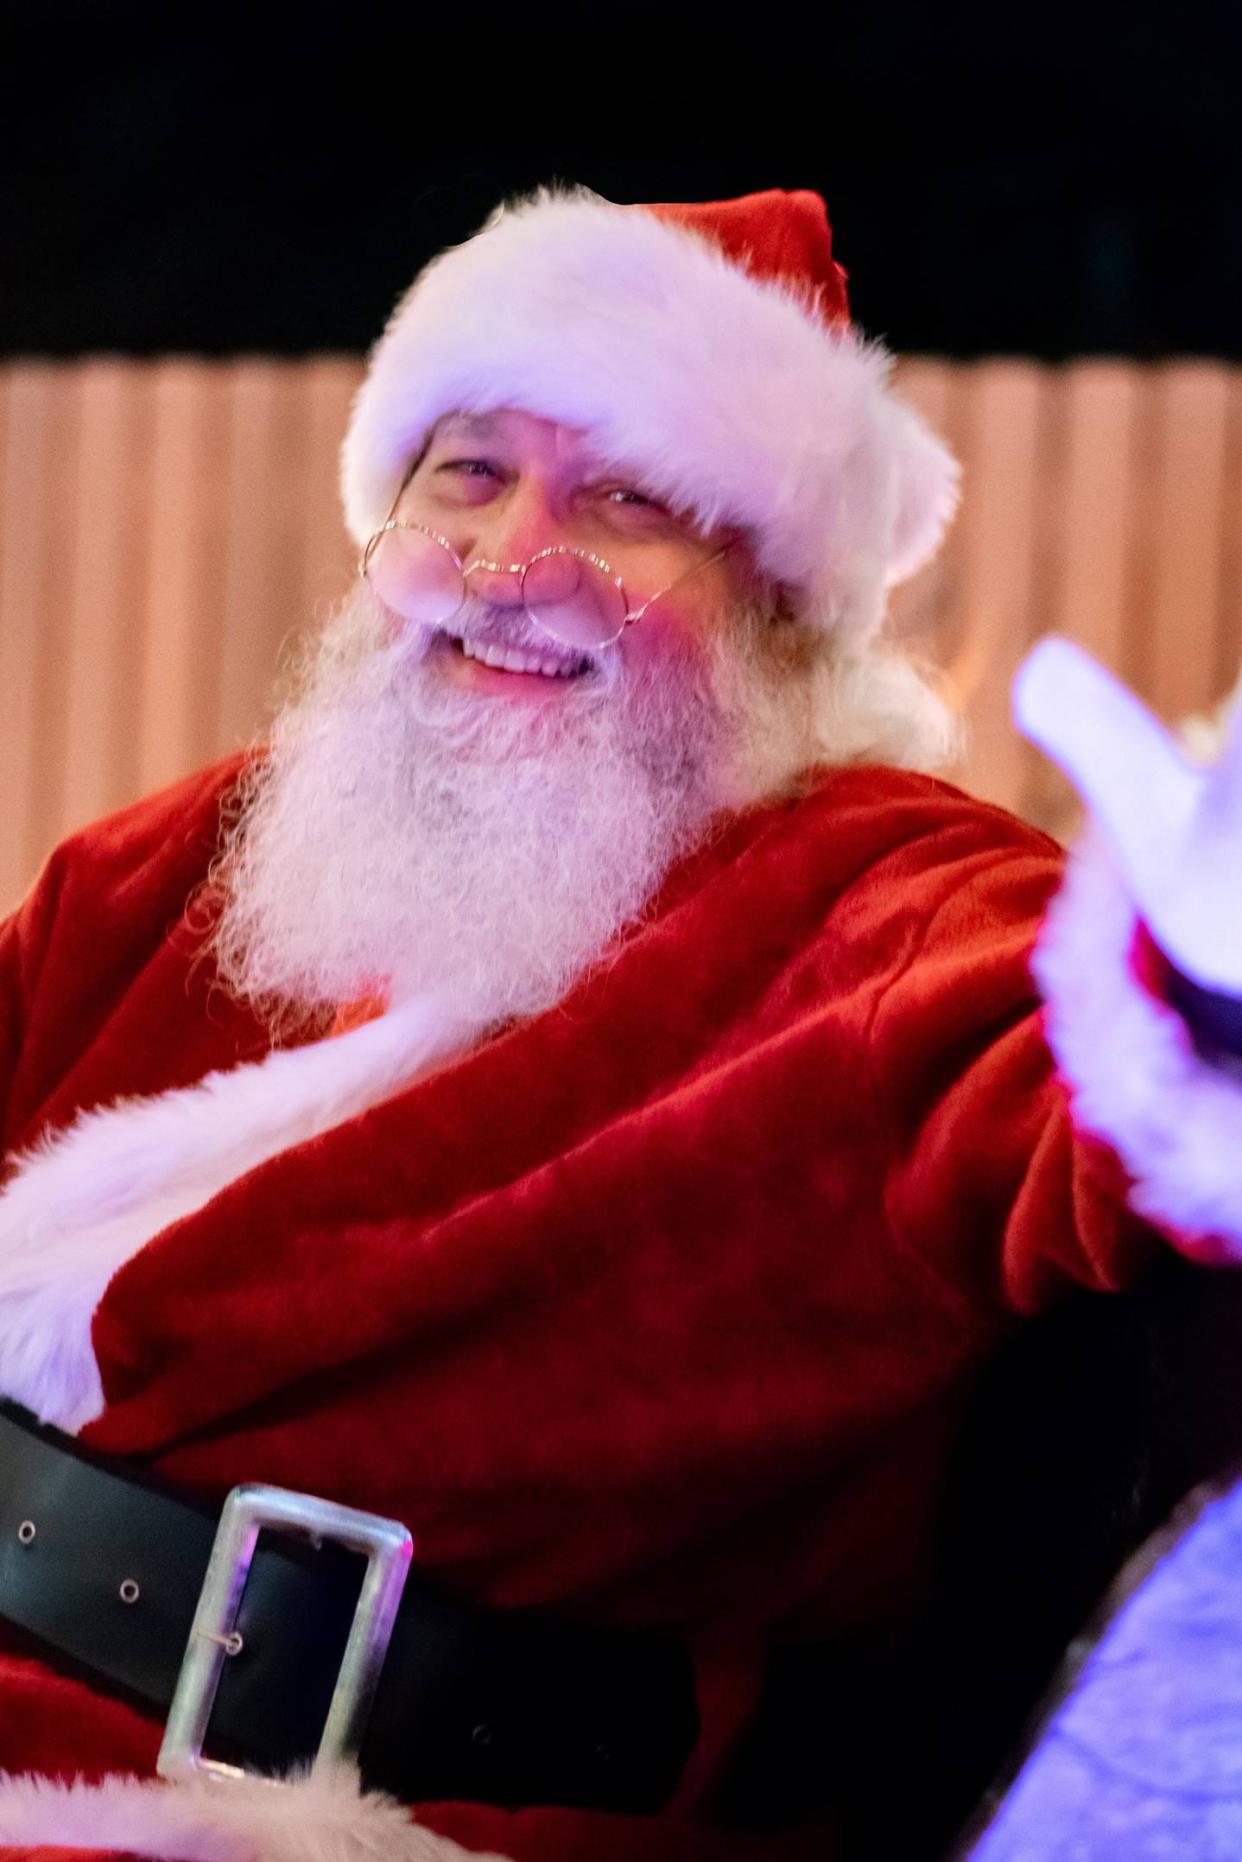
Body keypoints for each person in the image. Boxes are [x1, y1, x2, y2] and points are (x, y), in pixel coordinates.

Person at [0, 185, 1237, 1862]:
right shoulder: (196, 865)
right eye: (469, 474)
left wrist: (1197, 984)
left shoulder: (875, 907)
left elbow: (1096, 1086)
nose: (511, 564)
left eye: (628, 500)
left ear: (782, 613)